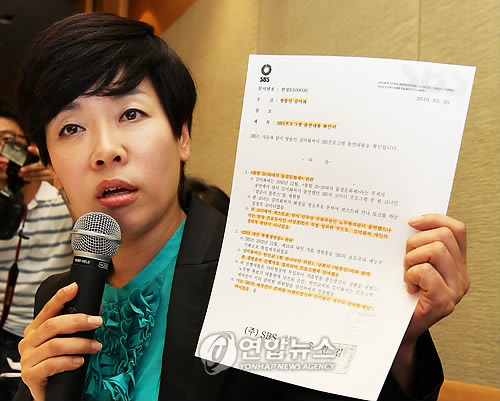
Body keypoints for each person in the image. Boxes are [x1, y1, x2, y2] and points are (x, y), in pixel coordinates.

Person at [13, 12, 469, 401]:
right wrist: (34, 392)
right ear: (51, 165)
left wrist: (396, 345)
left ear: (182, 136)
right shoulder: (58, 295)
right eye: (71, 128)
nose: (105, 150)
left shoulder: (264, 275)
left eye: (130, 114)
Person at [0, 104, 73, 400]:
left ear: (28, 147)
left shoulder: (63, 197)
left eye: (7, 141)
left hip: (45, 331)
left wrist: (58, 179)